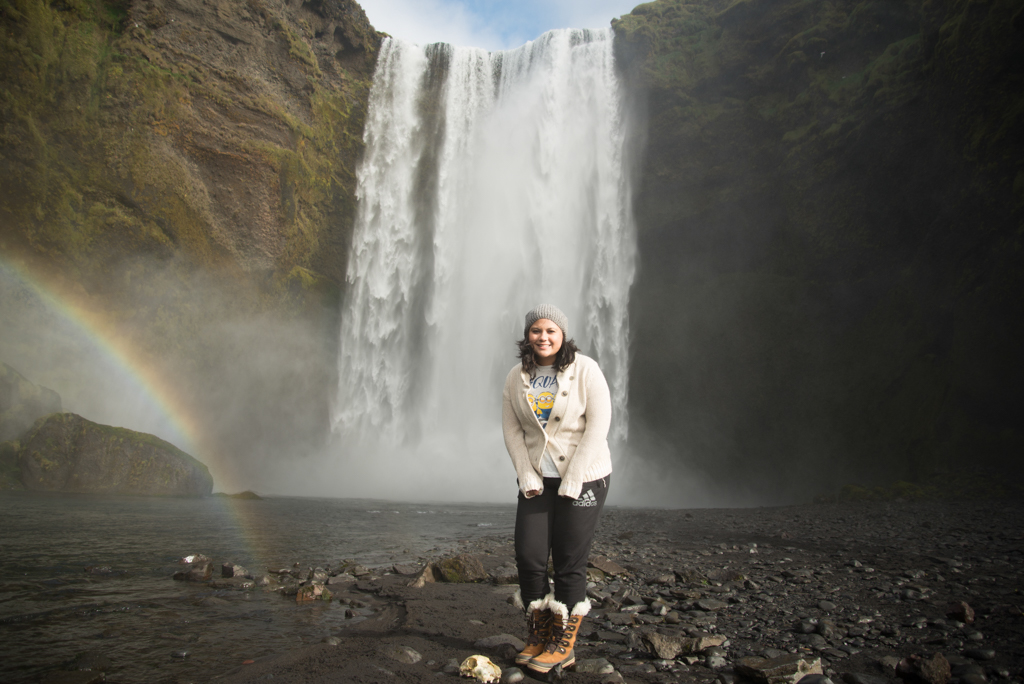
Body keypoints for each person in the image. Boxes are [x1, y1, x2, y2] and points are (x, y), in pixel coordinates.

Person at [501, 304, 612, 675]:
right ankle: (538, 634)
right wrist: (525, 474)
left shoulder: (586, 369)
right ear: (527, 335)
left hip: (585, 477)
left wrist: (576, 477)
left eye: (550, 330)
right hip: (537, 480)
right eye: (536, 330)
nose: (543, 337)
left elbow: (599, 424)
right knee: (530, 558)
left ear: (562, 334)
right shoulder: (516, 376)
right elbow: (512, 430)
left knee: (568, 562)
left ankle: (563, 646)